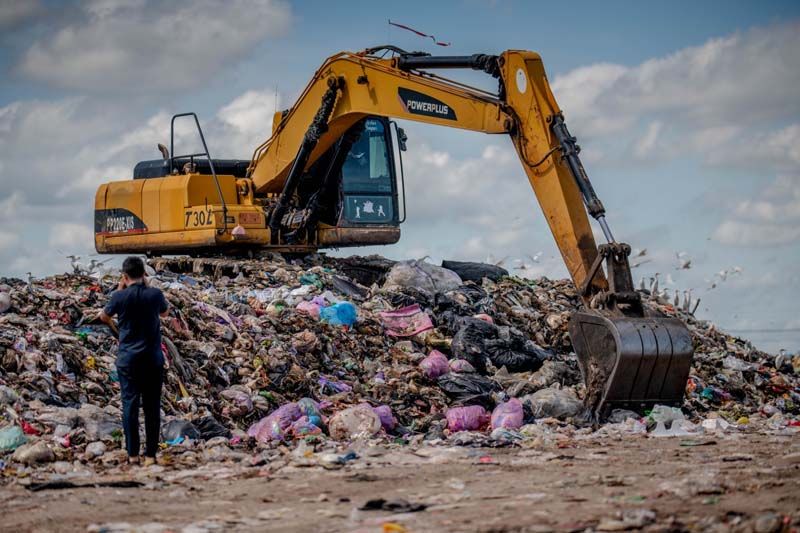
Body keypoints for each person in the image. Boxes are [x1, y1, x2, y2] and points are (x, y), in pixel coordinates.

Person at [99, 256, 168, 466]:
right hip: (152, 359)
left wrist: (117, 328)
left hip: (128, 359)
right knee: (152, 407)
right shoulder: (155, 294)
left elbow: (103, 316)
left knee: (130, 405)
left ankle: (132, 455)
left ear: (124, 275)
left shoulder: (119, 297)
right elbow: (165, 312)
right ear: (144, 274)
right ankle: (150, 455)